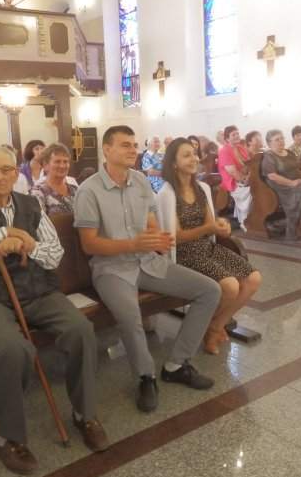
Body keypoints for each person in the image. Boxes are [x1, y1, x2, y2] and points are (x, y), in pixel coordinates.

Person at [0, 146, 108, 474]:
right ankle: (5, 437)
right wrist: (1, 236)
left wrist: (29, 244)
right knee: (13, 349)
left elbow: (55, 255)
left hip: (37, 291)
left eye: (5, 169)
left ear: (15, 173)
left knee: (80, 330)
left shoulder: (31, 205)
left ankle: (85, 414)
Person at [74, 125, 221, 413]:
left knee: (209, 290)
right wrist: (133, 243)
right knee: (131, 317)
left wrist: (157, 239)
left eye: (134, 145)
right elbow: (89, 245)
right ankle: (146, 376)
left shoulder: (141, 181)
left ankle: (177, 364)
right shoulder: (89, 190)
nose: (133, 150)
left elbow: (151, 222)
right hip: (112, 269)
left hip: (147, 262)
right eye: (125, 145)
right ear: (107, 149)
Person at [156, 138, 261, 355]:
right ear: (173, 163)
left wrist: (221, 226)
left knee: (253, 279)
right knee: (230, 286)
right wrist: (210, 228)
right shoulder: (167, 193)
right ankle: (212, 328)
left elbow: (210, 224)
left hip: (206, 248)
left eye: (194, 154)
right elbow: (177, 237)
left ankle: (214, 325)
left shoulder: (201, 188)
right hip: (184, 254)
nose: (194, 159)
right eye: (186, 155)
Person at [262, 130, 301, 241]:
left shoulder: (289, 152)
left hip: (297, 182)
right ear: (269, 143)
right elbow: (272, 176)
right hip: (280, 186)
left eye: (282, 138)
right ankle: (291, 232)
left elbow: (298, 167)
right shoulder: (269, 155)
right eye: (277, 139)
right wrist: (291, 183)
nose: (281, 141)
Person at [30, 143, 78, 215]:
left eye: (65, 161)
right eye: (57, 161)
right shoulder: (37, 193)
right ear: (45, 165)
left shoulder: (75, 190)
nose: (62, 166)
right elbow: (39, 220)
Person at [218, 125, 251, 230]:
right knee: (252, 190)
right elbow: (232, 172)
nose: (237, 136)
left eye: (237, 133)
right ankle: (245, 221)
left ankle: (253, 219)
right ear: (227, 138)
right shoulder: (224, 151)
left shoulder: (241, 148)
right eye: (233, 134)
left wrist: (249, 176)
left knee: (259, 187)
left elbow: (249, 164)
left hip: (245, 177)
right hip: (233, 181)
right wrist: (245, 180)